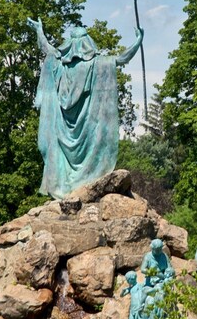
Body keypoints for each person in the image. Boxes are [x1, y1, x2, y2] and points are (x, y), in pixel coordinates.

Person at [29, 18, 143, 199]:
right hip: (88, 130)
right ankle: (84, 184)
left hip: (62, 128)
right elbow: (122, 58)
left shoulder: (59, 64)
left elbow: (47, 49)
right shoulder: (99, 64)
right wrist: (138, 41)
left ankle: (68, 188)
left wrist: (39, 31)